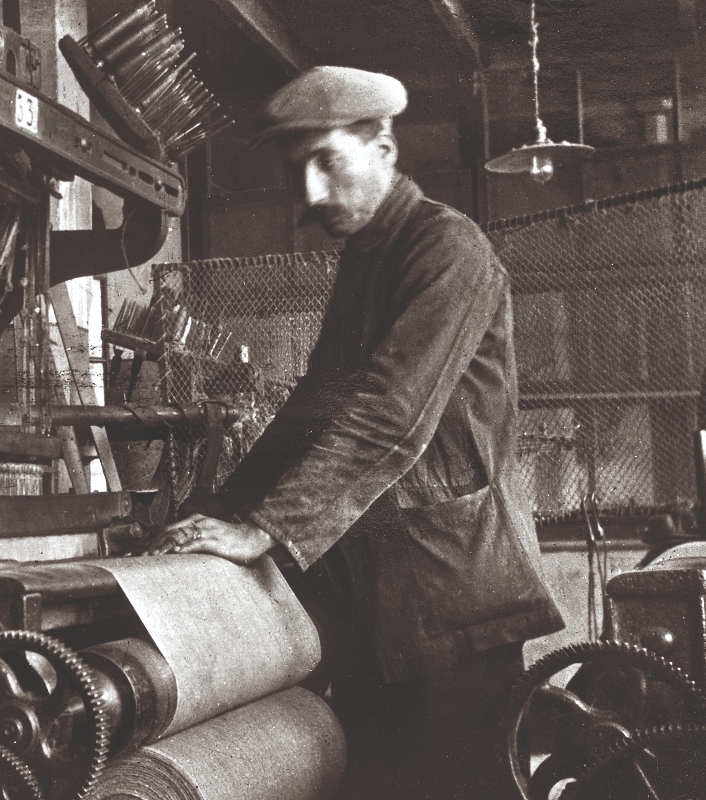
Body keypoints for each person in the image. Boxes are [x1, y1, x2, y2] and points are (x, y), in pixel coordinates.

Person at [145, 65, 564, 799]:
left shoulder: (448, 251)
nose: (308, 193)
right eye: (295, 169)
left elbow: (388, 417)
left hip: (454, 605)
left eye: (326, 161)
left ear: (383, 145)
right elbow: (313, 408)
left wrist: (264, 528)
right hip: (381, 607)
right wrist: (214, 510)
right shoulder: (369, 261)